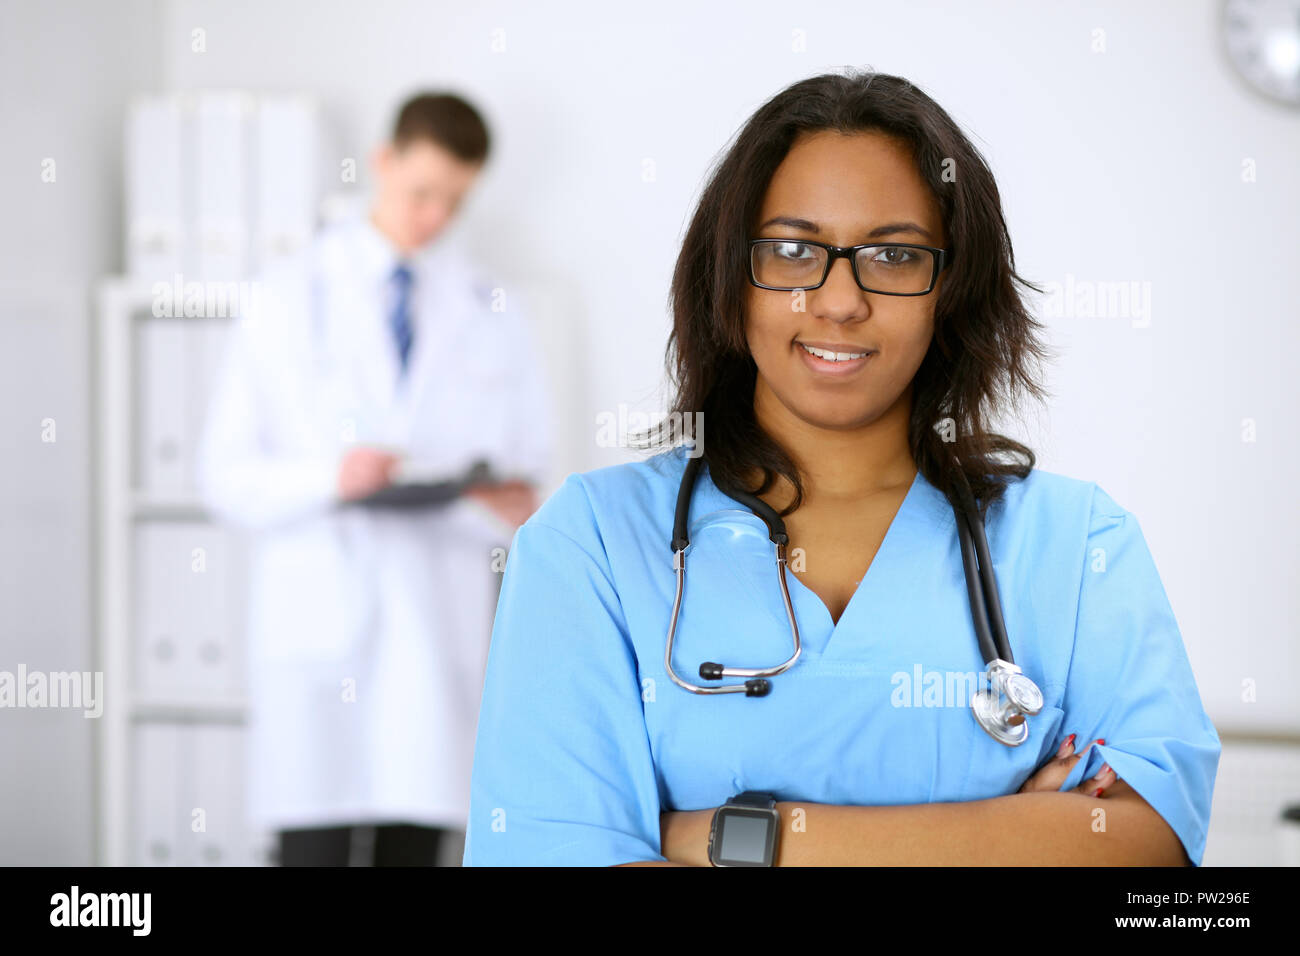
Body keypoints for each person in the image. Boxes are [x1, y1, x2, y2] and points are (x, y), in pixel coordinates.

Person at [462, 70, 1220, 866]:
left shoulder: (1076, 545)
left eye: (893, 255)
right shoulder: (592, 547)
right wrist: (1008, 836)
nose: (839, 300)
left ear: (951, 288)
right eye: (794, 251)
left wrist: (733, 838)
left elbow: (1143, 853)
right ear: (731, 276)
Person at [197, 92, 552, 866]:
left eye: (454, 201)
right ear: (384, 163)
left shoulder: (492, 307)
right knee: (313, 844)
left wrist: (484, 501)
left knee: (415, 842)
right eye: (421, 192)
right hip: (320, 615)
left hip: (434, 626)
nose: (434, 217)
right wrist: (334, 476)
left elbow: (529, 479)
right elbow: (225, 477)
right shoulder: (288, 295)